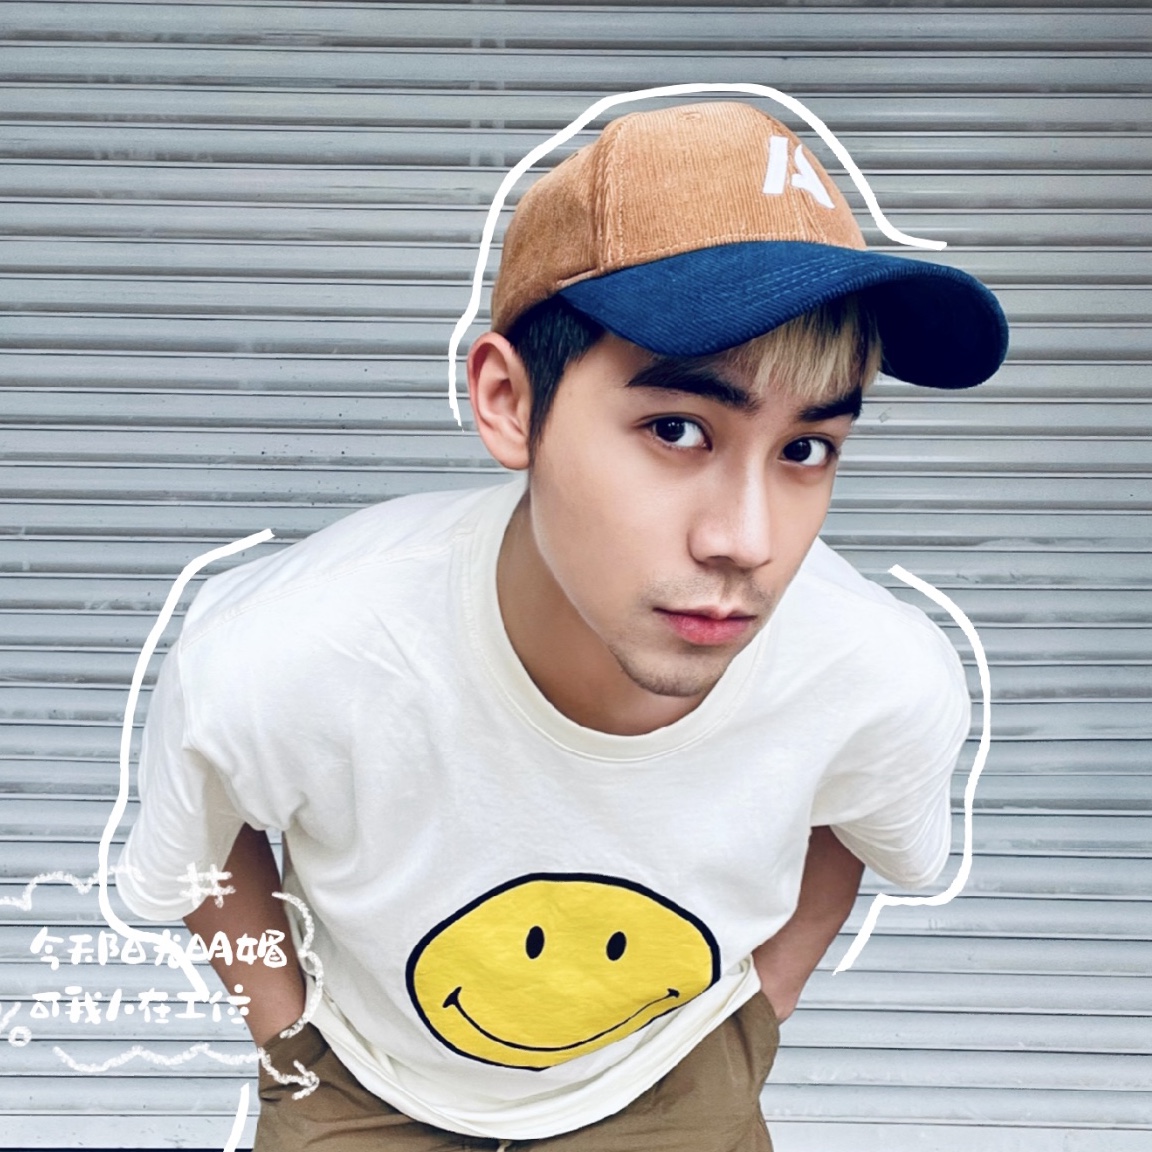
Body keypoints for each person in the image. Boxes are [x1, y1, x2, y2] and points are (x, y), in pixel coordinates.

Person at [116, 101, 1008, 1151]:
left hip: (674, 1082)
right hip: (361, 1085)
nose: (747, 540)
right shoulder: (286, 652)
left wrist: (751, 1025)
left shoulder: (877, 675)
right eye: (676, 428)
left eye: (806, 449)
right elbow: (205, 842)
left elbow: (850, 815)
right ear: (509, 401)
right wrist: (290, 1047)